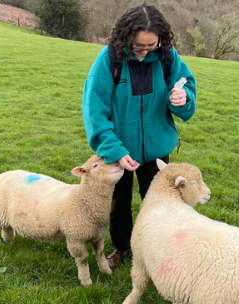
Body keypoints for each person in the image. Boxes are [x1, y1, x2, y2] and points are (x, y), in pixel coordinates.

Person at [82, 2, 196, 270]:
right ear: (126, 37)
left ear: (161, 40)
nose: (145, 51)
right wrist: (114, 150)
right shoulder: (109, 59)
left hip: (157, 149)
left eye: (151, 45)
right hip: (118, 150)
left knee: (158, 202)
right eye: (138, 46)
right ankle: (122, 247)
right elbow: (94, 112)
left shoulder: (168, 57)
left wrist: (183, 98)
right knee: (118, 203)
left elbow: (186, 88)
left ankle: (158, 249)